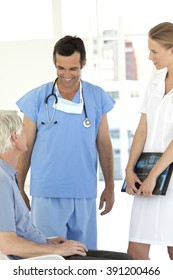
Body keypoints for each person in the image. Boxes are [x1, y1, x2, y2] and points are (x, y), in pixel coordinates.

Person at [16, 35, 115, 250]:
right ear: (54, 64)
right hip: (47, 192)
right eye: (61, 68)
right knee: (49, 257)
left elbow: (104, 144)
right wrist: (19, 187)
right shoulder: (37, 98)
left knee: (84, 257)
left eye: (73, 69)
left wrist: (110, 185)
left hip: (83, 191)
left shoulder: (97, 97)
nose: (66, 75)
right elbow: (26, 147)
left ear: (83, 64)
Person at [0, 110, 132, 260]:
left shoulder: (9, 175)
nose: (28, 134)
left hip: (46, 250)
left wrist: (48, 241)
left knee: (124, 258)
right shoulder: (2, 180)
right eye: (23, 130)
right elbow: (7, 244)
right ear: (15, 137)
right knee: (124, 263)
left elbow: (20, 230)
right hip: (40, 261)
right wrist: (58, 250)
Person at [125, 22, 173, 260]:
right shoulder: (154, 81)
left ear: (172, 50)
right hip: (147, 176)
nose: (149, 56)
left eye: (154, 51)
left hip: (167, 176)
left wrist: (155, 175)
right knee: (135, 251)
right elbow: (142, 128)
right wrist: (129, 168)